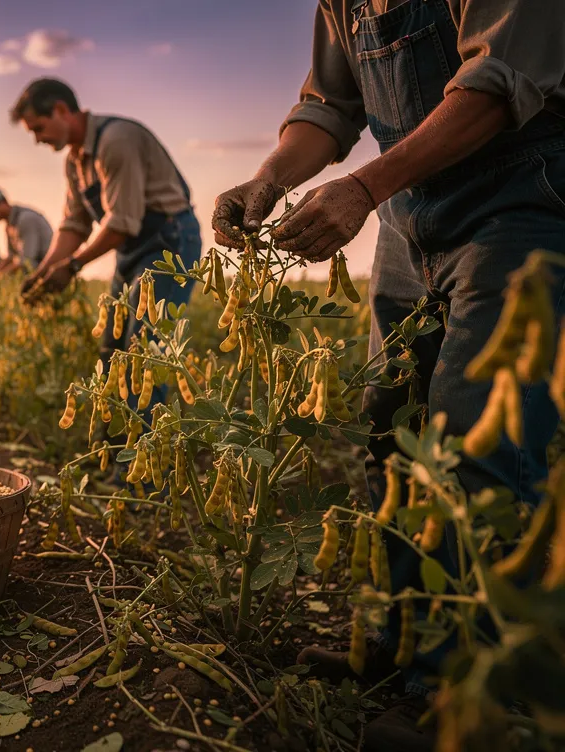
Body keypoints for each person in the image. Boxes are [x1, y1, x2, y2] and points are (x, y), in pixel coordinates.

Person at [211, 4, 565, 750]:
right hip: (413, 220)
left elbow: (497, 86)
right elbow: (329, 107)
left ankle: (468, 694)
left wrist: (364, 189)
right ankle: (398, 648)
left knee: (479, 445)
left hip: (523, 203)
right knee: (390, 435)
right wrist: (269, 178)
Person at [11, 77, 202, 392]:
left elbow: (122, 222)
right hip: (133, 248)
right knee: (111, 350)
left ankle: (144, 439)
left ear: (61, 110)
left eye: (38, 128)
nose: (37, 139)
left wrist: (72, 267)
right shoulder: (75, 161)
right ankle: (112, 439)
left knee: (144, 352)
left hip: (171, 241)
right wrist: (43, 272)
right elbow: (74, 225)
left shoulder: (116, 140)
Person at [0, 188, 54, 286]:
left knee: (19, 275)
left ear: (2, 203)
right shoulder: (9, 226)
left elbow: (27, 261)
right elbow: (10, 257)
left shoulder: (25, 219)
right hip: (36, 269)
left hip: (47, 270)